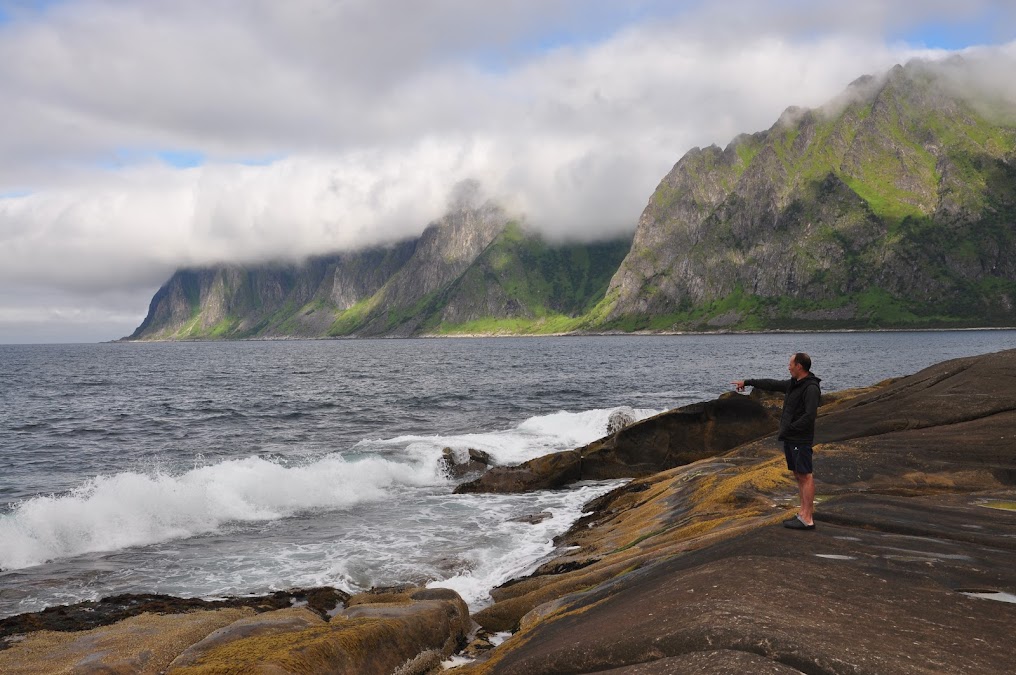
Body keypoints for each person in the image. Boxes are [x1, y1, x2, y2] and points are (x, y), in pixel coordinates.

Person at [732, 353, 821, 530]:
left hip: (800, 438)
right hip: (791, 437)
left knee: (805, 475)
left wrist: (791, 428)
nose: (788, 367)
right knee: (798, 475)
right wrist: (748, 382)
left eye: (790, 364)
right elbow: (771, 384)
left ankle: (808, 518)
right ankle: (802, 513)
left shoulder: (810, 388)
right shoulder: (794, 384)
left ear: (799, 367)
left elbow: (810, 415)